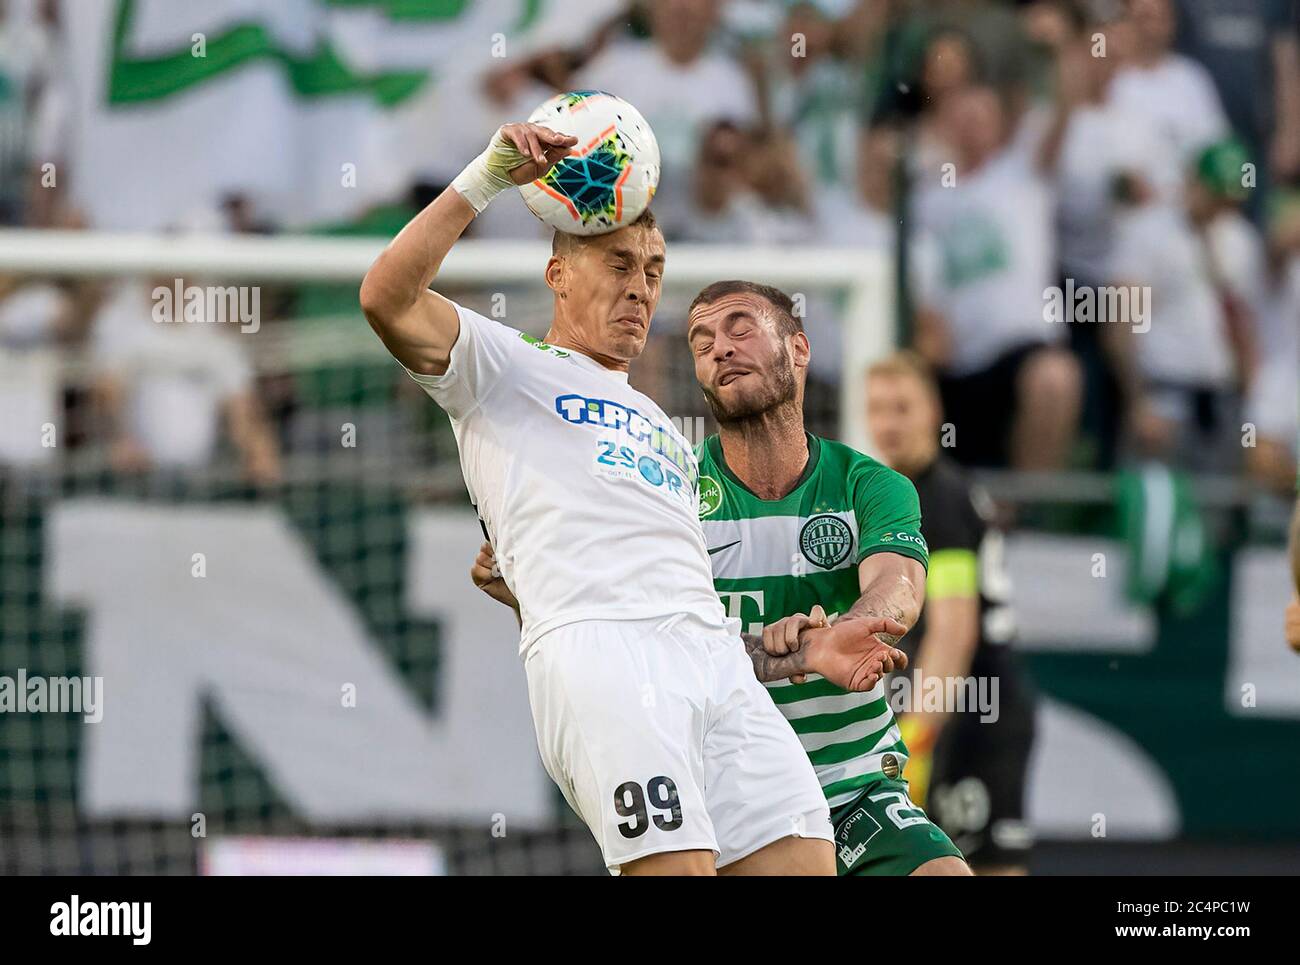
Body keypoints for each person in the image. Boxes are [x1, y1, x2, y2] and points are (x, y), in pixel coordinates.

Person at [360, 120, 909, 876]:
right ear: (557, 274)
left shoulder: (667, 433)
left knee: (805, 863)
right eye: (619, 263)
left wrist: (807, 648)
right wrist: (487, 177)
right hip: (604, 658)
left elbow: (681, 601)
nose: (640, 286)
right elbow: (386, 296)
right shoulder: (505, 366)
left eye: (653, 270)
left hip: (712, 661)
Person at [473, 278, 970, 876]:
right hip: (735, 797)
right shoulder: (669, 492)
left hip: (852, 789)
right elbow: (638, 636)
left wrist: (849, 630)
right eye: (701, 340)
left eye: (740, 328)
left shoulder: (869, 483)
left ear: (799, 349)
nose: (719, 348)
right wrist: (535, 600)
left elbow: (898, 586)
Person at [865, 351, 1036, 874]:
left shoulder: (935, 498)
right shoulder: (911, 493)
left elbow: (953, 631)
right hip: (952, 715)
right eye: (877, 409)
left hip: (975, 720)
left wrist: (915, 736)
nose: (889, 423)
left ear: (934, 409)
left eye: (903, 407)